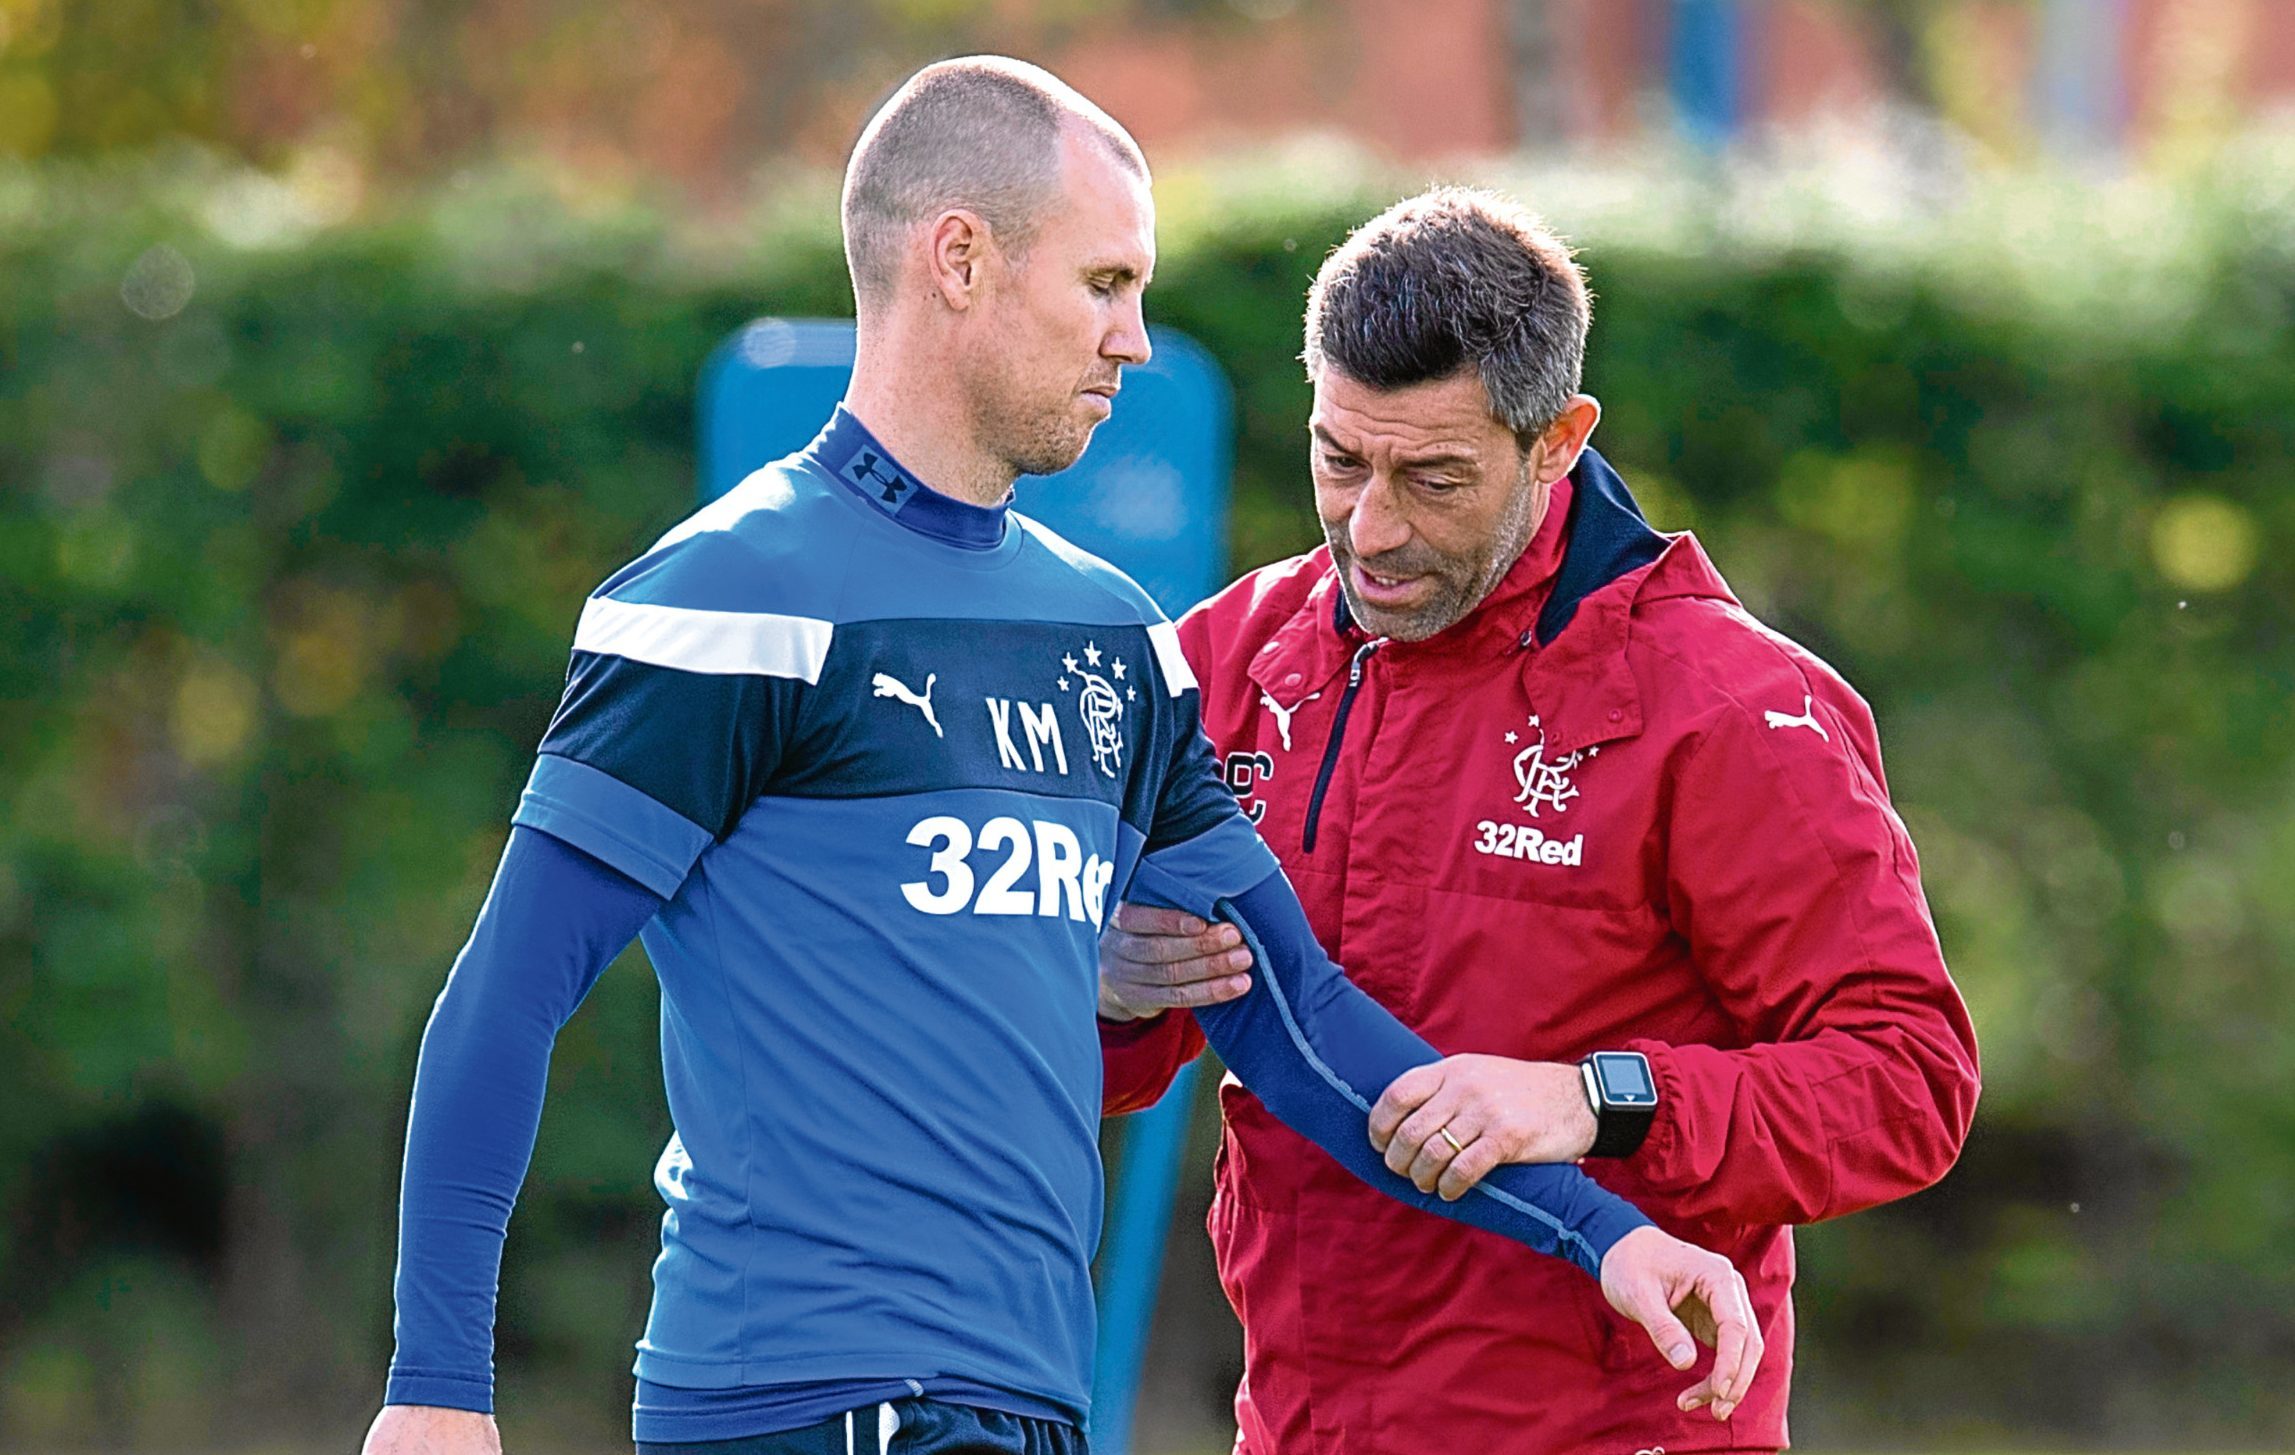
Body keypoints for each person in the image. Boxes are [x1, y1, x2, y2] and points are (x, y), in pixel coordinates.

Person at [360, 65, 1764, 1455]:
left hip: (1034, 1398)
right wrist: (436, 1386)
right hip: (801, 1400)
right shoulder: (731, 598)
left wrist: (1601, 1231)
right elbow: (506, 994)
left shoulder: (1114, 637)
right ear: (958, 259)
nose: (1134, 339)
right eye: (1103, 283)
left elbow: (1295, 1021)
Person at [1098, 188, 1982, 1455]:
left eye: (1434, 477)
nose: (1373, 528)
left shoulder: (1726, 708)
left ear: (1558, 441)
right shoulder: (1231, 661)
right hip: (1298, 1425)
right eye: (1340, 461)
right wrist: (1110, 988)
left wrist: (1597, 1099)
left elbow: (1910, 1083)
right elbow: (1091, 1052)